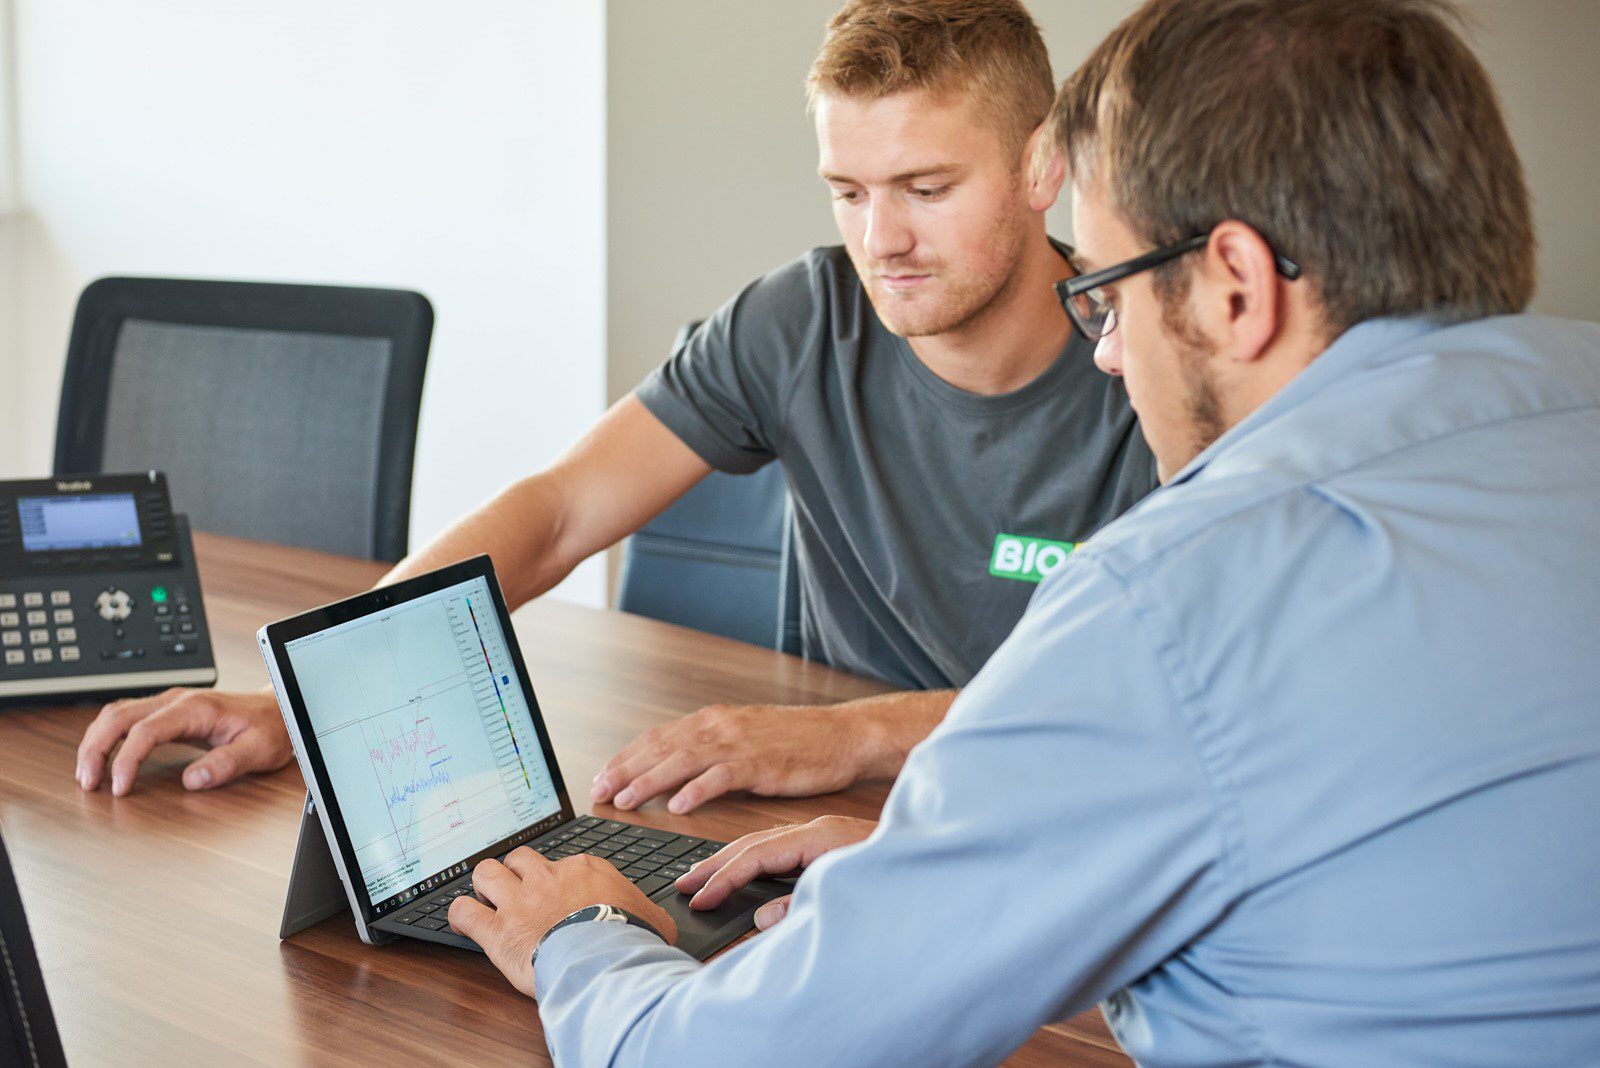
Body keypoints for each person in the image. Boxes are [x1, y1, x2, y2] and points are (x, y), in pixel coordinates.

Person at [443, 0, 1600, 1063]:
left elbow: (715, 1057)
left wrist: (579, 938)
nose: (1105, 344)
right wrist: (960, 876)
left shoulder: (1175, 594)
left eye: (1108, 283)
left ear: (1236, 287)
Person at [74, 0, 1157, 805]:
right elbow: (553, 513)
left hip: (1070, 812)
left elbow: (1157, 697)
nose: (882, 241)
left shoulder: (1152, 367)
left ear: (1038, 167)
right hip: (828, 816)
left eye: (926, 189)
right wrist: (319, 703)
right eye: (848, 193)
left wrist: (860, 732)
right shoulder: (799, 318)